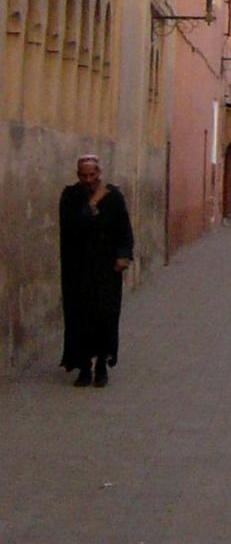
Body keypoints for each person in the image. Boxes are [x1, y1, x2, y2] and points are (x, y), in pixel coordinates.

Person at [59, 154, 134, 388]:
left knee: (105, 317)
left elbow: (124, 230)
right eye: (84, 176)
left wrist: (123, 255)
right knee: (80, 317)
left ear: (99, 174)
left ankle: (102, 365)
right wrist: (92, 205)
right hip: (78, 270)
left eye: (92, 175)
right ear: (78, 175)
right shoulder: (70, 196)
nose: (89, 180)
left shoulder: (114, 198)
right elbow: (72, 227)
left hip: (106, 271)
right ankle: (83, 367)